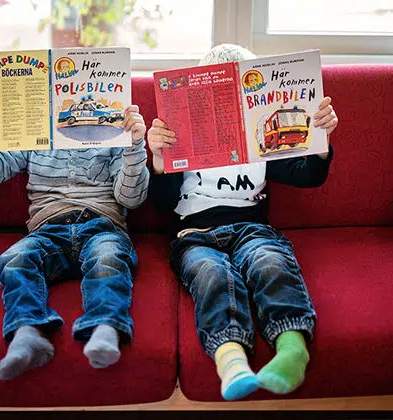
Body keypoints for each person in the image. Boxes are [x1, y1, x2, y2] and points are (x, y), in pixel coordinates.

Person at [148, 44, 338, 400]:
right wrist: (158, 159)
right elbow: (160, 203)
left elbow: (308, 176)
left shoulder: (260, 139)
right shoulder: (183, 135)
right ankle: (231, 359)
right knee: (212, 274)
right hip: (195, 234)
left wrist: (321, 141)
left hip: (252, 229)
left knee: (270, 262)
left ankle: (292, 348)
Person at [0, 81, 149, 380]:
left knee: (108, 256)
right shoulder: (35, 132)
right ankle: (27, 332)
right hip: (48, 228)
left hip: (101, 222)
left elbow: (131, 199)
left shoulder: (113, 133)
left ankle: (106, 327)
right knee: (15, 258)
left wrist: (135, 146)